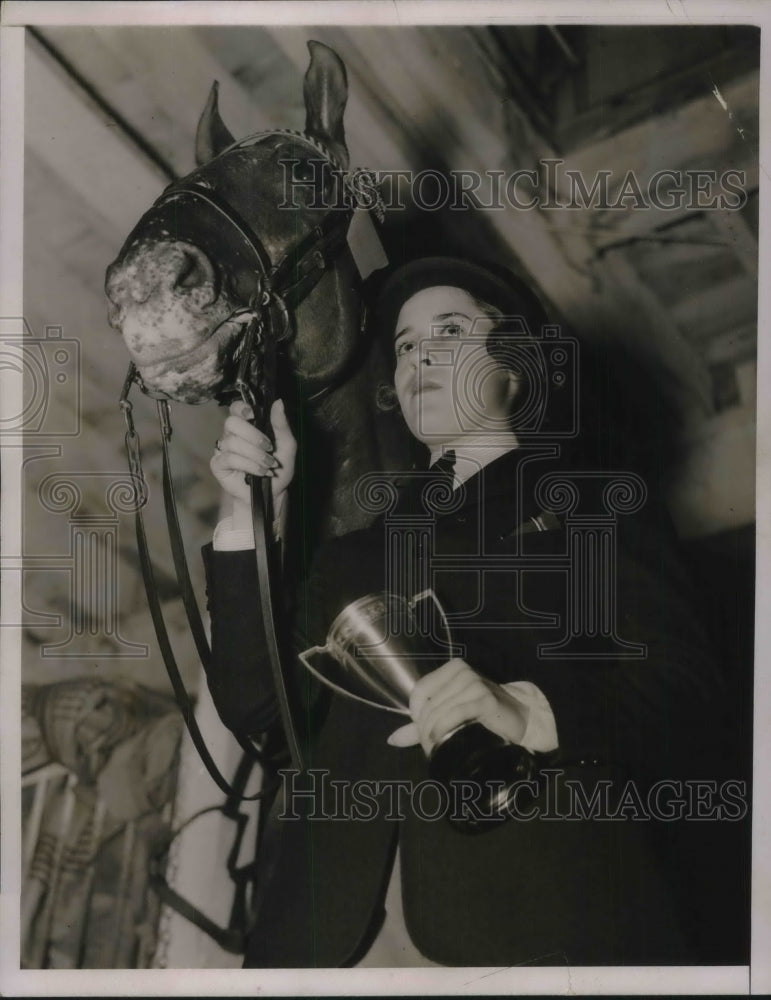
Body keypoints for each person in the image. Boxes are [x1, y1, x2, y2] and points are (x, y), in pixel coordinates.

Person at [202, 257, 726, 968]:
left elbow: (683, 694)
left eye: (449, 330)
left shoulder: (591, 504)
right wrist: (249, 517)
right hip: (326, 951)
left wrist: (528, 709)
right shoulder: (352, 558)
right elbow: (256, 710)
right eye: (407, 345)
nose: (420, 355)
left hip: (534, 927)